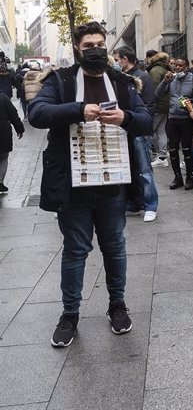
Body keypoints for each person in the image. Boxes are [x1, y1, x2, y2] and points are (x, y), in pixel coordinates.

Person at [28, 21, 152, 347]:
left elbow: (146, 121)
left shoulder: (123, 83)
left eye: (100, 44)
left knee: (115, 248)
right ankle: (70, 315)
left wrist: (125, 118)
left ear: (107, 46)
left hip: (113, 184)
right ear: (77, 49)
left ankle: (117, 306)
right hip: (73, 186)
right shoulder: (62, 81)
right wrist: (78, 110)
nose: (95, 50)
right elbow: (37, 113)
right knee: (75, 250)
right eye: (88, 46)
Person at [114, 46, 158, 222]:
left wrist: (137, 121)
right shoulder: (122, 78)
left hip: (140, 131)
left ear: (125, 59)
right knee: (132, 169)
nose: (115, 63)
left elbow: (149, 105)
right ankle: (135, 203)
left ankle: (151, 205)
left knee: (145, 170)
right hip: (127, 129)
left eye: (117, 59)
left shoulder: (142, 77)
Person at [155, 57, 193, 190]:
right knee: (172, 149)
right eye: (176, 66)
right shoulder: (171, 79)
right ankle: (177, 177)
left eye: (181, 65)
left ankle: (189, 177)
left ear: (187, 67)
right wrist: (164, 81)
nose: (177, 68)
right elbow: (158, 94)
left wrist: (192, 106)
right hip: (172, 118)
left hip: (186, 119)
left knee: (186, 149)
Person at [146, 49, 171, 167]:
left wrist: (151, 103)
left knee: (153, 129)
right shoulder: (165, 68)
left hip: (158, 105)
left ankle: (161, 156)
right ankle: (163, 154)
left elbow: (154, 89)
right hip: (165, 104)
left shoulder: (155, 70)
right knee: (161, 130)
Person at [0, 91, 24, 194]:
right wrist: (19, 128)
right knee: (3, 157)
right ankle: (0, 182)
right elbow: (13, 113)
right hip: (3, 130)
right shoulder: (2, 97)